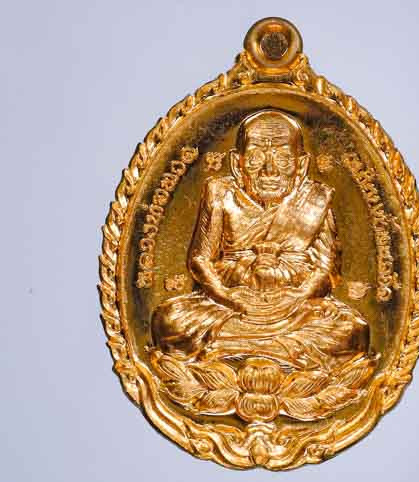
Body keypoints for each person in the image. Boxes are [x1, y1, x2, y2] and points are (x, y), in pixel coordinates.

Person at [151, 109, 369, 370]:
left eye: (283, 159)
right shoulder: (220, 193)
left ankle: (231, 350)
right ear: (237, 163)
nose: (269, 171)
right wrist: (226, 296)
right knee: (169, 321)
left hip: (294, 307)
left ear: (301, 166)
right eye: (256, 158)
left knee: (352, 331)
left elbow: (327, 271)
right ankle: (283, 351)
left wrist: (298, 296)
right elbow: (200, 259)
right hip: (230, 303)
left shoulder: (316, 200)